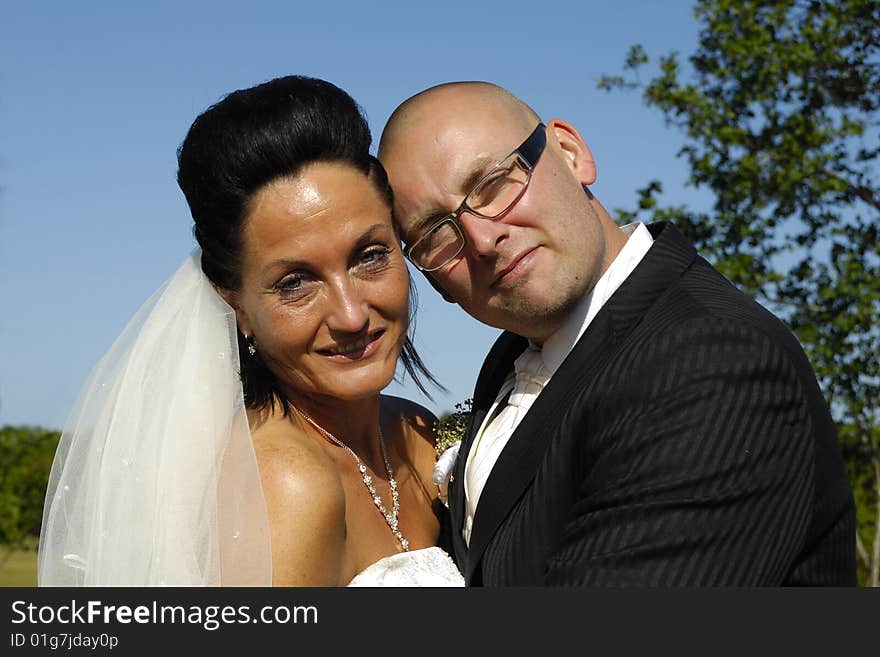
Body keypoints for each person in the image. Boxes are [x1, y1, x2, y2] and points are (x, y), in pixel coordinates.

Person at [378, 81, 856, 586]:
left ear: (570, 152)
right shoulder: (511, 358)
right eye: (437, 236)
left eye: (493, 185)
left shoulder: (711, 361)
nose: (481, 238)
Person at [38, 75, 464, 587]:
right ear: (233, 302)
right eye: (295, 283)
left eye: (370, 257)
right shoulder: (286, 481)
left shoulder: (417, 435)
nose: (351, 314)